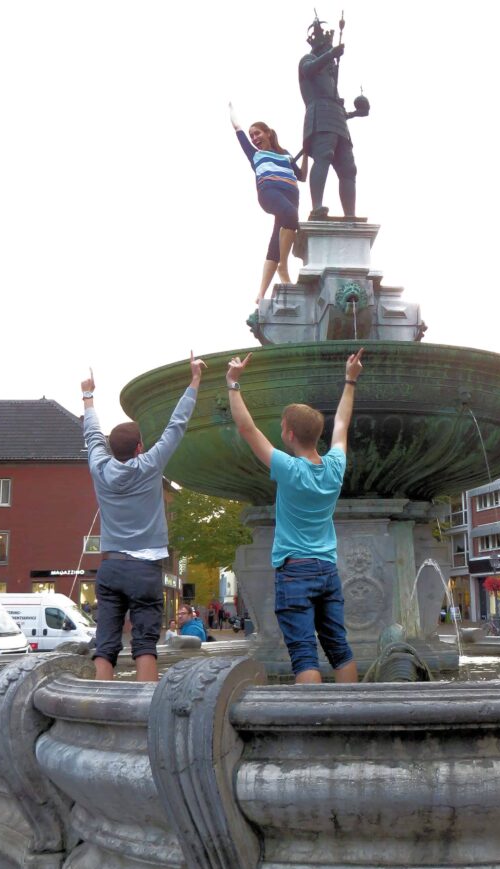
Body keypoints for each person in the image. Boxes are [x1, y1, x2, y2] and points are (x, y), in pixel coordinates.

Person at [225, 347, 364, 682]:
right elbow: (342, 422)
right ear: (317, 435)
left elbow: (248, 430)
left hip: (294, 570)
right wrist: (350, 380)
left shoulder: (288, 469)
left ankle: (311, 730)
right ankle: (354, 720)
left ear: (288, 434)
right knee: (340, 649)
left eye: (283, 426)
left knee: (304, 655)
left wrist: (233, 383)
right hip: (327, 569)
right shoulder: (334, 467)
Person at [81, 353, 205, 682]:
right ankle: (142, 715)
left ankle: (96, 711)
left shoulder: (99, 466)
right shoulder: (149, 466)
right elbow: (175, 427)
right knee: (145, 644)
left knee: (104, 645)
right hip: (145, 569)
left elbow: (92, 434)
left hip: (110, 566)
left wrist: (88, 396)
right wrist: (194, 381)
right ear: (139, 448)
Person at [230, 104, 308, 304]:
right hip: (269, 192)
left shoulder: (286, 154)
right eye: (252, 135)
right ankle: (283, 266)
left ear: (268, 133)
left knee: (276, 239)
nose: (254, 138)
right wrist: (232, 112)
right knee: (291, 216)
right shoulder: (254, 154)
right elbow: (238, 130)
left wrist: (306, 153)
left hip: (291, 195)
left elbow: (302, 176)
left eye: (257, 133)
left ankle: (261, 294)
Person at [299, 19, 357, 218]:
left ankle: (350, 215)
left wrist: (357, 113)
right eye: (327, 49)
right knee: (324, 155)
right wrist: (330, 54)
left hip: (337, 117)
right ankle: (317, 207)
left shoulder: (330, 75)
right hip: (320, 114)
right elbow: (308, 69)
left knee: (349, 168)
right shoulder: (307, 60)